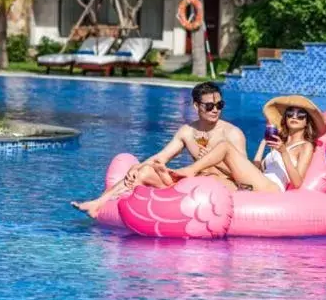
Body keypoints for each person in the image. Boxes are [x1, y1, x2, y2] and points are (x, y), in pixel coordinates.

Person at [71, 81, 247, 217]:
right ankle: (99, 203)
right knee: (145, 171)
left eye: (219, 105)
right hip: (193, 185)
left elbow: (243, 178)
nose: (215, 110)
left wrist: (214, 163)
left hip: (222, 188)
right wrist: (137, 167)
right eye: (209, 106)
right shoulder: (187, 132)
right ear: (196, 106)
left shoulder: (232, 134)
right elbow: (161, 156)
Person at [168, 96, 325, 193]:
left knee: (225, 145)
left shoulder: (305, 146)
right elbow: (256, 171)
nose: (294, 116)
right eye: (290, 113)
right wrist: (263, 146)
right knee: (210, 179)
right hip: (259, 183)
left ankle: (190, 169)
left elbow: (297, 183)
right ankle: (169, 184)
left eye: (300, 115)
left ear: (307, 122)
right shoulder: (279, 143)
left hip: (272, 189)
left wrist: (284, 152)